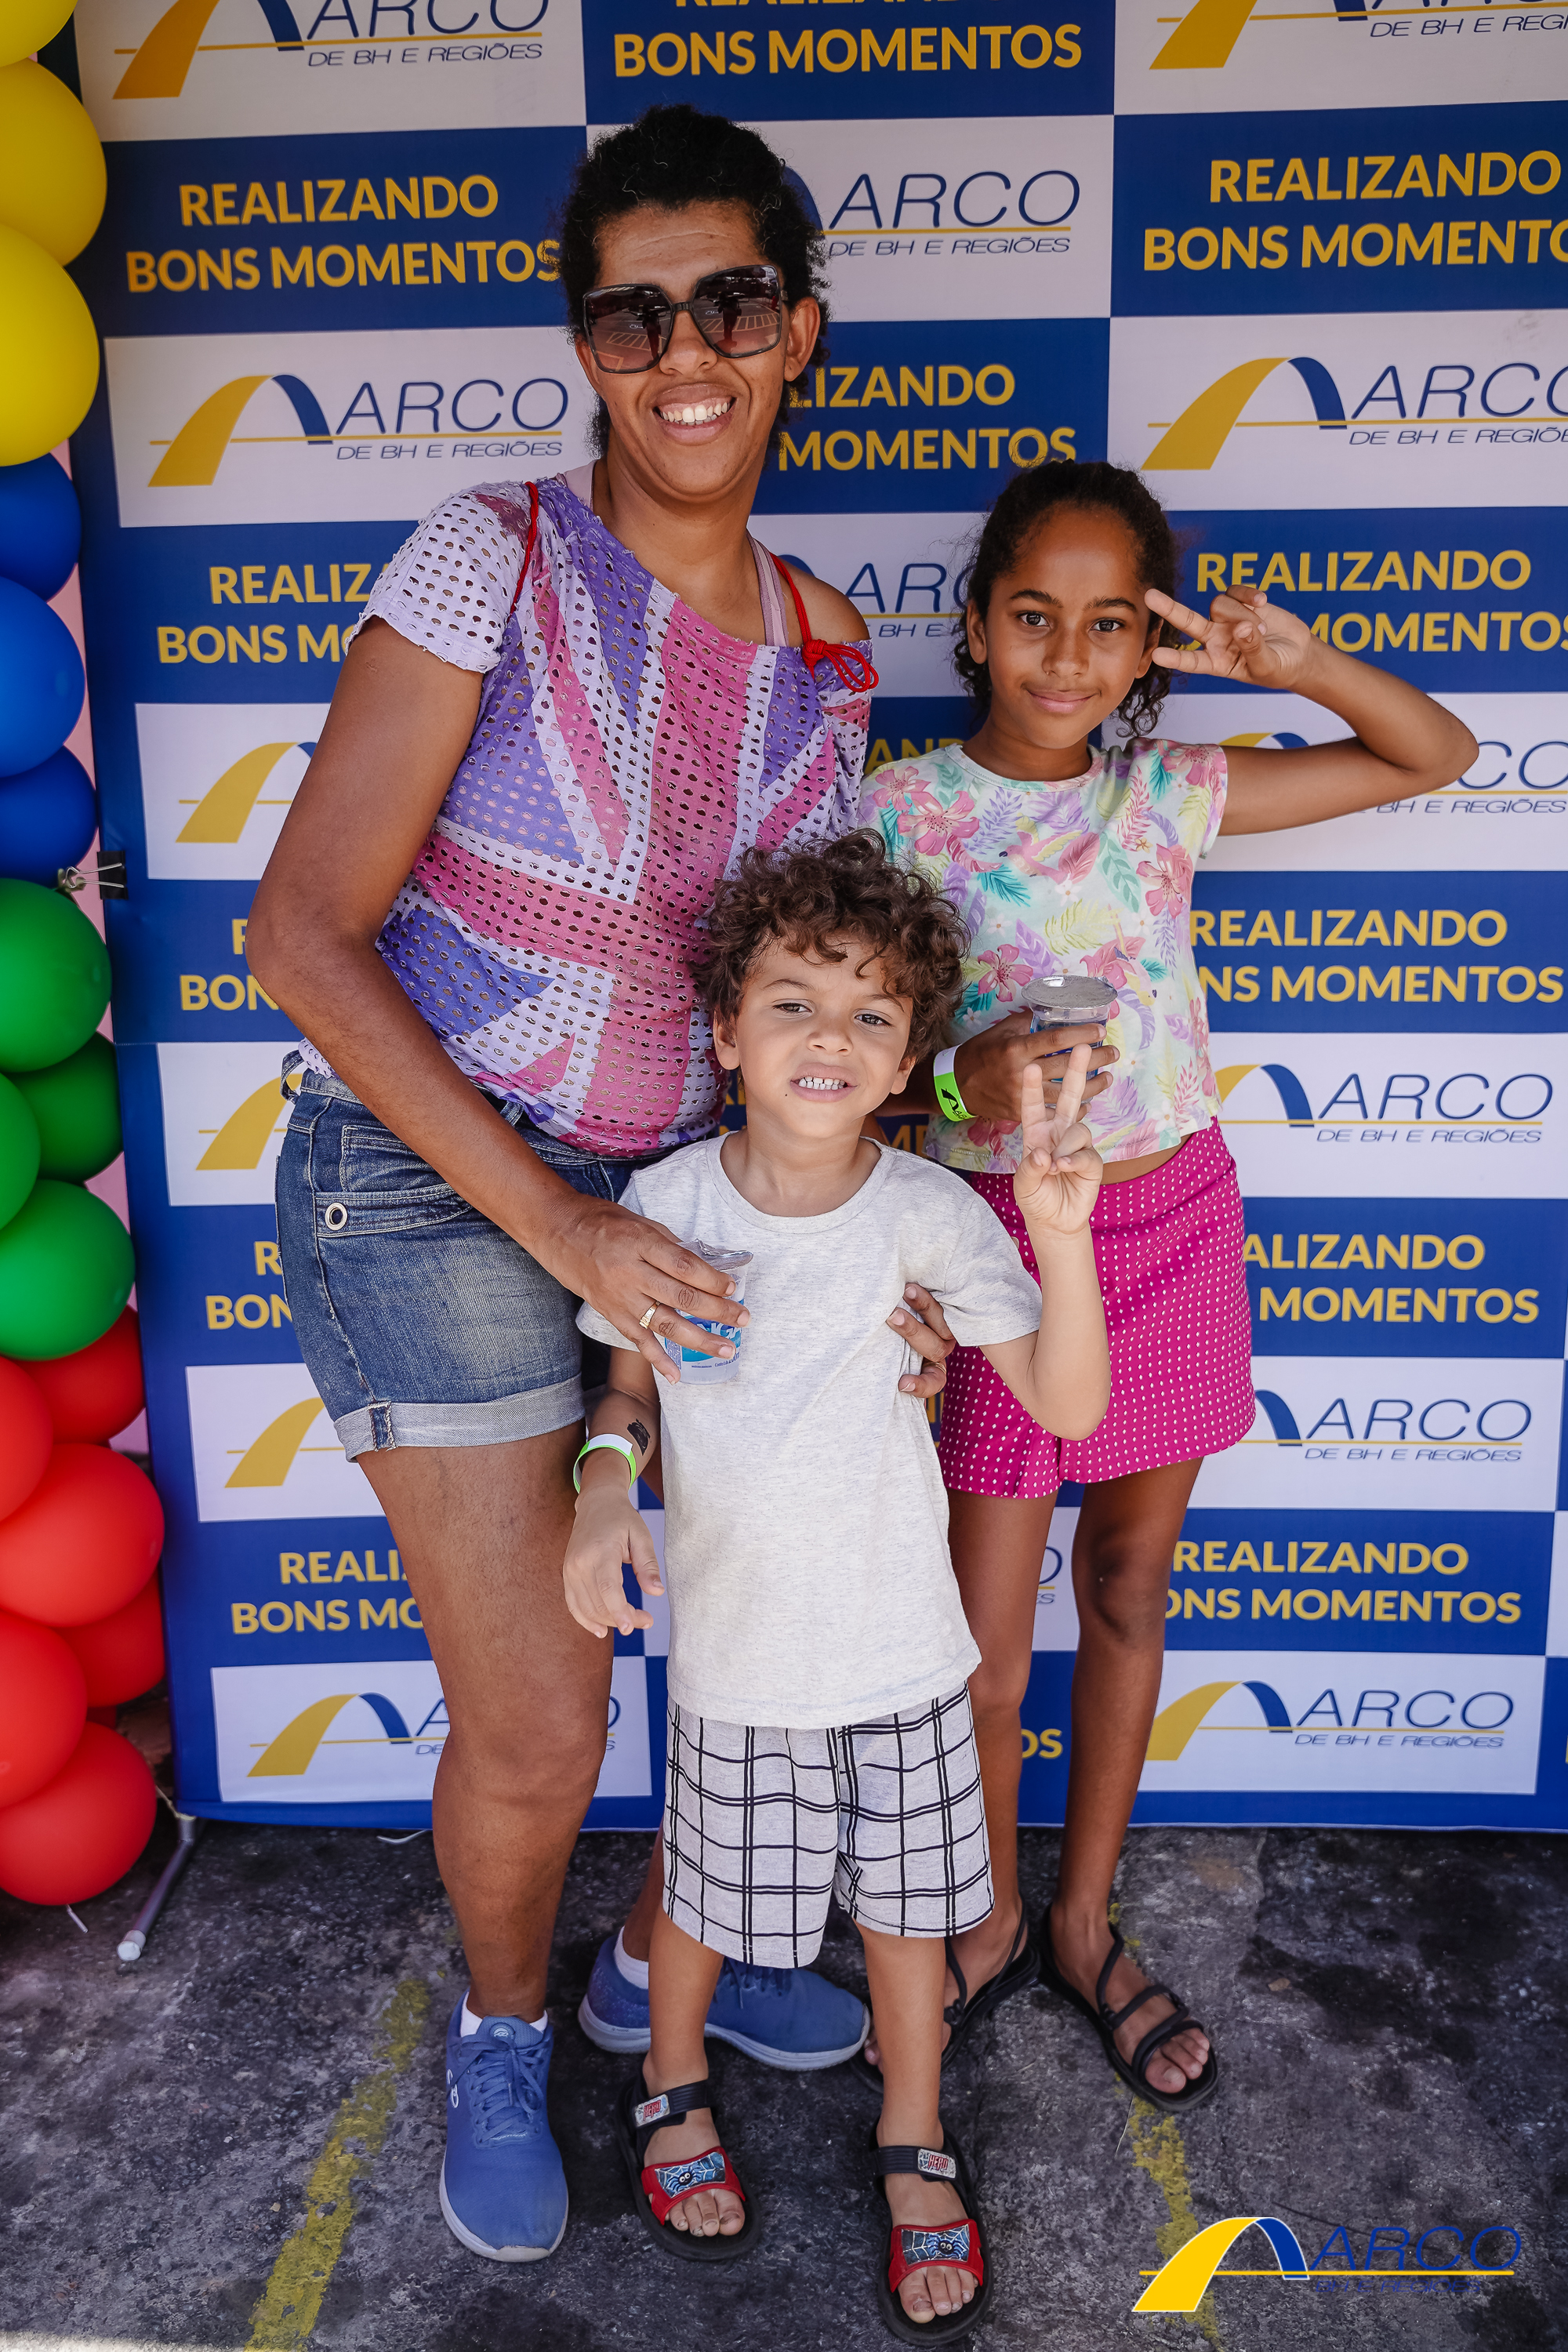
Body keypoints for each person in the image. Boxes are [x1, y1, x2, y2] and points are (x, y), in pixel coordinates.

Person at [245, 106, 966, 2266]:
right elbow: (300, 937)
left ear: (797, 331)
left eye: (728, 304)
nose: (684, 353)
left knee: (752, 1642)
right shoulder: (492, 553)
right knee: (548, 1713)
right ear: (588, 346)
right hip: (432, 1188)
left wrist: (894, 1248)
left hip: (696, 1204)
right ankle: (498, 2028)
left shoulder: (826, 644)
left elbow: (812, 986)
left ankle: (662, 1967)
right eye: (633, 315)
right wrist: (560, 1224)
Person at [859, 459, 1479, 2111]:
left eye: (1109, 625)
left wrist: (1298, 661)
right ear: (973, 625)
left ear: (1149, 647)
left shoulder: (1170, 794)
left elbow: (1434, 754)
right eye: (1033, 617)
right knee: (986, 1656)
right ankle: (984, 1914)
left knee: (1129, 1593)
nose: (1067, 657)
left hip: (1175, 1225)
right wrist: (960, 1081)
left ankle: (1079, 1922)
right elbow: (838, 1070)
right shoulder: (898, 815)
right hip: (996, 1253)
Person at [563, 834, 1110, 2336]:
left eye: (872, 1014)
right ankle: (673, 2086)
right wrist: (600, 1487)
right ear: (725, 1034)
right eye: (793, 1002)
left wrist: (1062, 1239)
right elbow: (626, 1391)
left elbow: (1067, 1405)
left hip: (905, 1658)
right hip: (739, 1662)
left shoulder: (932, 1214)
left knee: (908, 1921)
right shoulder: (663, 1203)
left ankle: (912, 2134)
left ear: (911, 1059)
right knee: (700, 1896)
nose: (830, 1037)